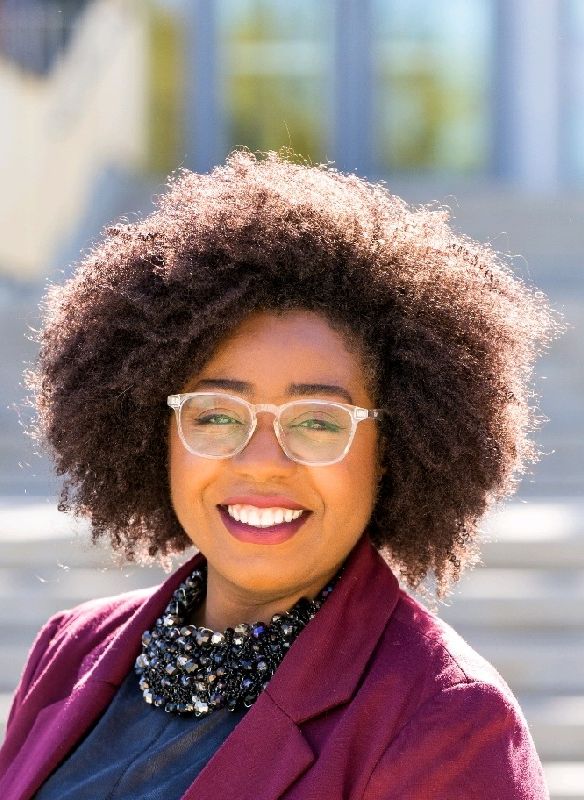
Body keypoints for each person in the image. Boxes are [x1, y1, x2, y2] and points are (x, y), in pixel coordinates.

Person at [0, 150, 560, 799]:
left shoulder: (446, 720)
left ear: (392, 447)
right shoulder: (71, 650)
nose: (262, 461)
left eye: (318, 422)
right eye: (216, 415)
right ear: (156, 432)